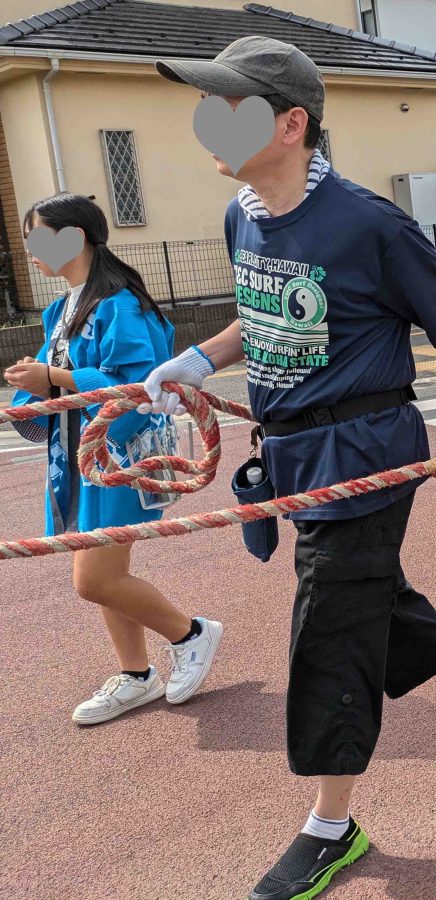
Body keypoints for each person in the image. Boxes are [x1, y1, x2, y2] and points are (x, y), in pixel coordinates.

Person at [143, 37, 436, 899]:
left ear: (291, 123)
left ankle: (331, 824)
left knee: (330, 622)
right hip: (292, 453)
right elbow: (261, 311)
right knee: (370, 598)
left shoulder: (368, 223)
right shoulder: (245, 213)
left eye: (228, 106)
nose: (206, 120)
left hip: (366, 452)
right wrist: (198, 362)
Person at [3, 193, 222, 725]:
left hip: (119, 456)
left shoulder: (120, 304)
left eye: (36, 238)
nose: (28, 251)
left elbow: (136, 387)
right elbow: (60, 393)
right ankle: (136, 673)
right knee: (102, 571)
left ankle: (189, 633)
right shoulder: (61, 308)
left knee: (94, 579)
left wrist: (52, 378)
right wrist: (31, 392)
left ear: (73, 237)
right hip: (81, 458)